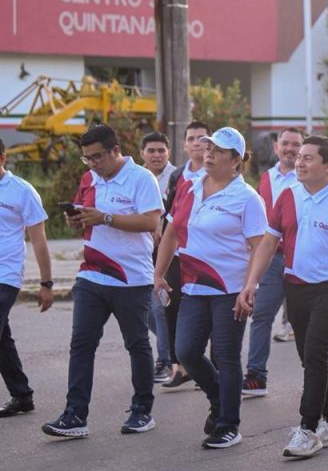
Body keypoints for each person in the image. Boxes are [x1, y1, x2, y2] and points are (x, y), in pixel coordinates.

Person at [238, 135, 328, 459]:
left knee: (314, 353)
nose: (299, 162)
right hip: (296, 286)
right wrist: (251, 283)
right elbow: (268, 243)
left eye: (308, 158)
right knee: (311, 358)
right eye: (299, 157)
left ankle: (308, 429)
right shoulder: (288, 195)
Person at [42, 123, 163, 438]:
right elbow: (85, 219)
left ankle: (142, 411)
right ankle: (75, 415)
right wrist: (75, 220)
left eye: (97, 157)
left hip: (131, 278)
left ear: (115, 151)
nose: (93, 164)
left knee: (137, 344)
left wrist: (106, 217)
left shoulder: (141, 178)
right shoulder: (89, 179)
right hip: (91, 274)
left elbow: (151, 221)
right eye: (87, 158)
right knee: (81, 344)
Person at [154, 127, 267, 449]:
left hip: (230, 289)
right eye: (208, 149)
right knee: (186, 351)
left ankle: (228, 425)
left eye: (218, 151)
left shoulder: (247, 198)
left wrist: (250, 286)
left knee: (226, 356)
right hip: (193, 287)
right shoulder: (189, 187)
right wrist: (158, 273)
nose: (209, 154)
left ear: (236, 161)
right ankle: (220, 398)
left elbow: (260, 247)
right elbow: (171, 232)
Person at [242, 127, 303, 397]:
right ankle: (256, 376)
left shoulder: (310, 178)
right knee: (261, 316)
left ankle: (316, 379)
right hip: (272, 260)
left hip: (302, 261)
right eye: (285, 143)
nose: (290, 149)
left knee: (305, 324)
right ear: (277, 147)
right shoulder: (266, 178)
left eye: (296, 145)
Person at [0, 138, 53, 418]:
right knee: (2, 340)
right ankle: (22, 396)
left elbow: (39, 241)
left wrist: (46, 283)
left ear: (2, 158)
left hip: (5, 275)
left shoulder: (22, 191)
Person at [161, 120, 210, 389]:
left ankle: (208, 369)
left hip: (205, 254)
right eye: (191, 139)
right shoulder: (178, 175)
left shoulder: (217, 174)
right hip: (179, 253)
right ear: (184, 145)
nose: (196, 143)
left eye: (201, 138)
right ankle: (179, 366)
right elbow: (169, 215)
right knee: (171, 307)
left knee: (209, 310)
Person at [140, 131, 175, 383]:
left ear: (168, 152)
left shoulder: (177, 177)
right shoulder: (136, 178)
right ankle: (172, 348)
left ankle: (165, 360)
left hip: (169, 251)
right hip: (140, 251)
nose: (156, 155)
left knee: (159, 307)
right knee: (147, 311)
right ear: (142, 153)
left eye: (161, 150)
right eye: (151, 150)